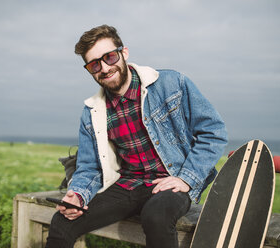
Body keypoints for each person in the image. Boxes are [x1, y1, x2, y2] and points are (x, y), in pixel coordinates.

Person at [46, 24, 227, 248]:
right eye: (95, 64)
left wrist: (186, 179)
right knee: (63, 221)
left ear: (124, 53)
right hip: (127, 185)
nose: (104, 68)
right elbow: (88, 167)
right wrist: (78, 195)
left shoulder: (171, 84)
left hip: (169, 182)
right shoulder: (92, 111)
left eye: (110, 57)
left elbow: (213, 132)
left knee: (156, 215)